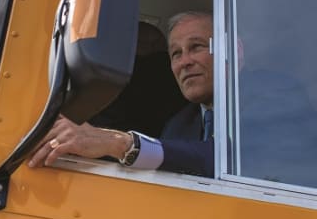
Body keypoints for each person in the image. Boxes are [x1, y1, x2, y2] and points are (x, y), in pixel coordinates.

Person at [28, 11, 215, 177]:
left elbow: (219, 158)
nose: (184, 62)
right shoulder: (178, 124)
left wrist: (118, 143)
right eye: (176, 54)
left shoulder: (235, 111)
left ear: (229, 49)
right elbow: (170, 163)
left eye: (197, 47)